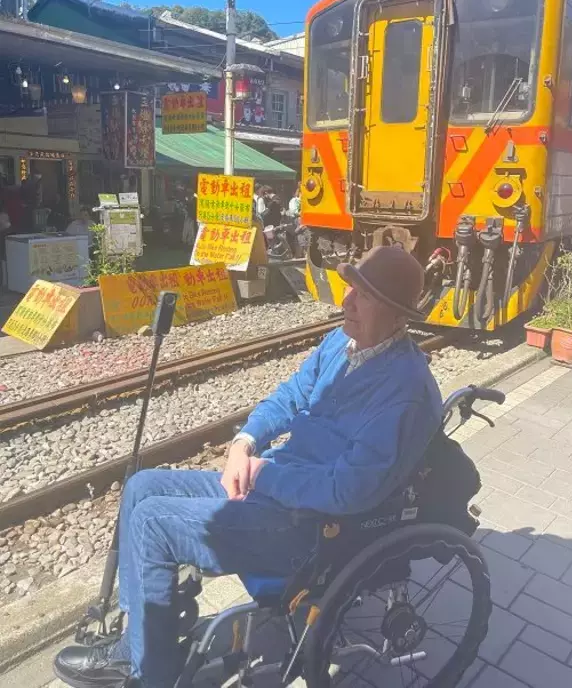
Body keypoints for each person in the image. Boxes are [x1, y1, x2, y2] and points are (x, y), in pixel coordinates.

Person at [54, 245, 442, 688]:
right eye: (349, 288)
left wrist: (263, 473)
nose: (345, 302)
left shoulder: (407, 391)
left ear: (397, 315)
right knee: (141, 486)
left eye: (363, 296)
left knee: (152, 524)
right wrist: (245, 441)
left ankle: (151, 673)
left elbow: (349, 490)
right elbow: (290, 394)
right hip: (274, 489)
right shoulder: (343, 343)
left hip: (309, 526)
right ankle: (142, 639)